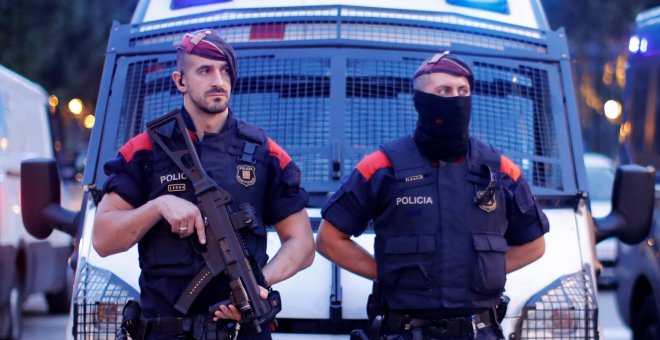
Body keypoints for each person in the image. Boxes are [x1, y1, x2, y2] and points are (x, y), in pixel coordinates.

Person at [92, 29, 315, 339]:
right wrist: (158, 206)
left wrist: (256, 287)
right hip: (164, 331)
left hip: (240, 330)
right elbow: (103, 240)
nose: (218, 80)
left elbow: (302, 243)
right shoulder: (143, 150)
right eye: (205, 70)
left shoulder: (265, 152)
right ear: (180, 80)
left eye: (225, 70)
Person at [316, 52, 549, 340]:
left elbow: (535, 245)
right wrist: (386, 272)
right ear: (420, 101)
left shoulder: (500, 170)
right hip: (405, 331)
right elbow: (328, 239)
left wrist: (479, 272)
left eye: (463, 91)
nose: (456, 98)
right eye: (444, 91)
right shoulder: (381, 166)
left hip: (480, 331)